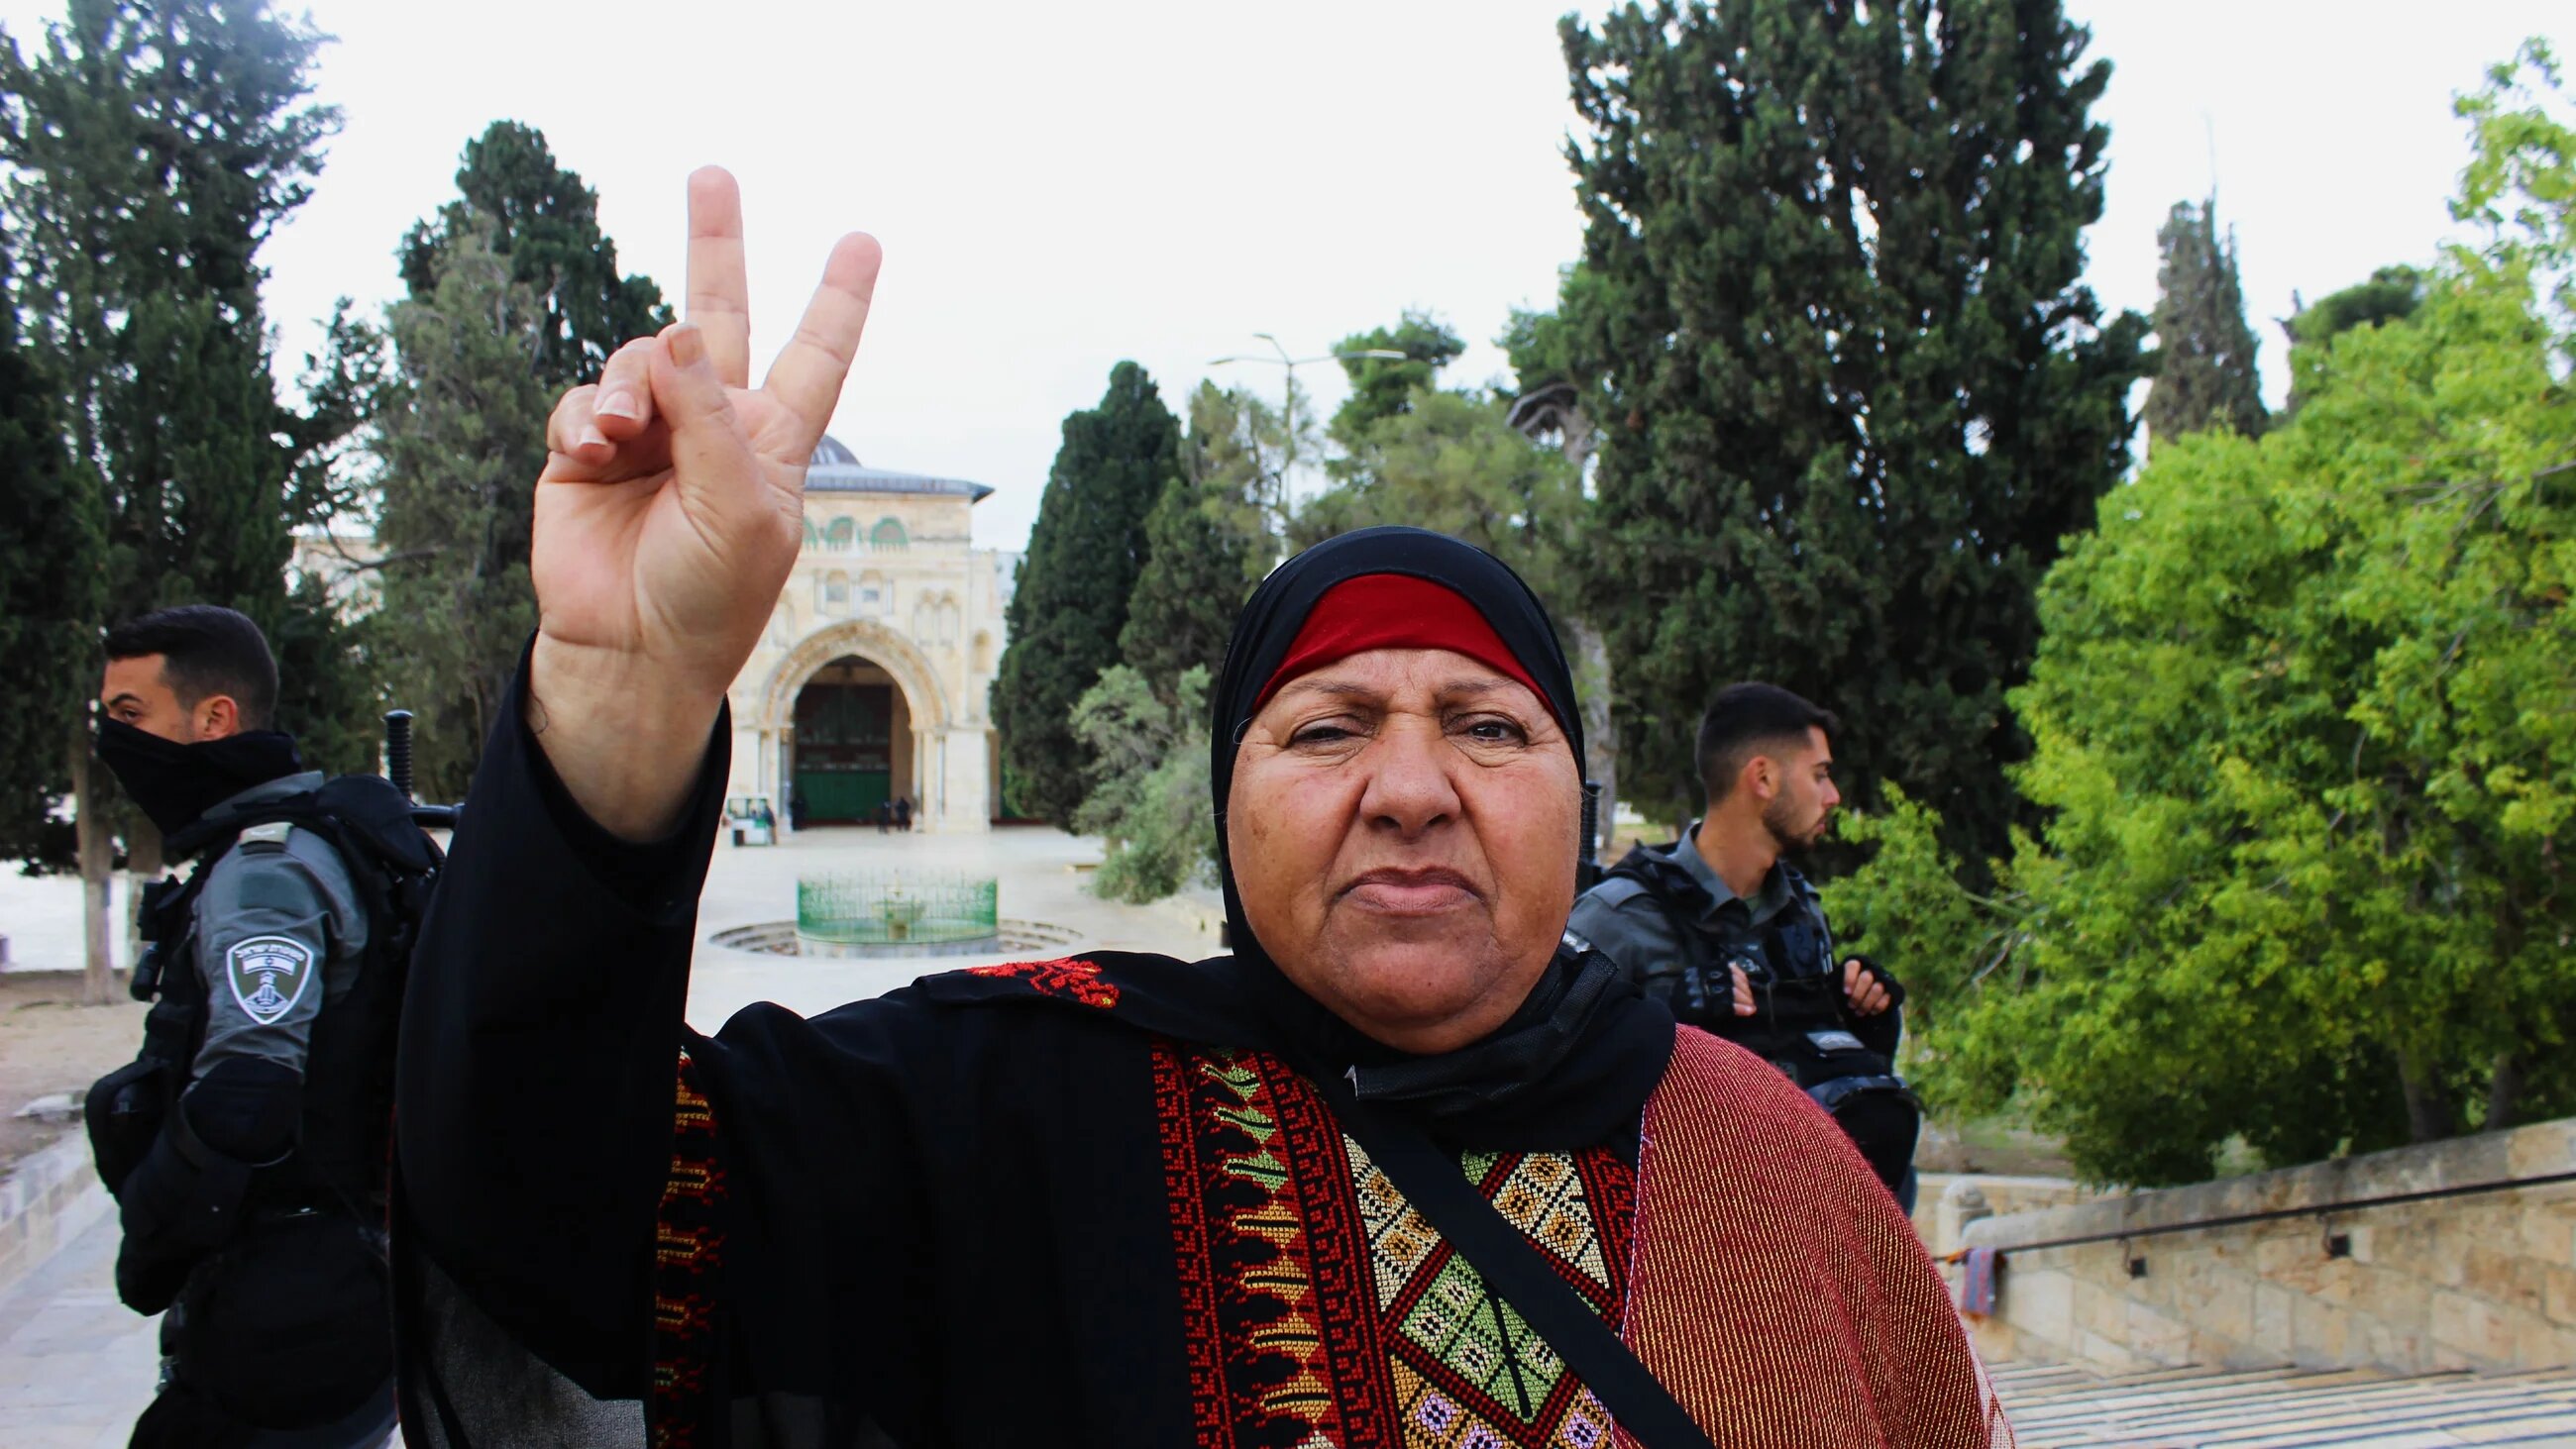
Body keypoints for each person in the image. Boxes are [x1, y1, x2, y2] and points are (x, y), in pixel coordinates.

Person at [391, 169, 2010, 1448]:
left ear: (1574, 798)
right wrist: (630, 692)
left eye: (1483, 722)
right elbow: (547, 1205)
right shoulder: (1013, 1110)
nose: (1409, 786)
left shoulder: (1760, 1157)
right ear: (1228, 803)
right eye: (1325, 726)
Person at [83, 606, 408, 1448]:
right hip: (334, 1285)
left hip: (292, 1306)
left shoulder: (265, 869)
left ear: (214, 717)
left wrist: (152, 1235)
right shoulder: (292, 842)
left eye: (130, 715)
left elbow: (248, 1091)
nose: (115, 741)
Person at [1567, 683, 1920, 1203]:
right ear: (1762, 777)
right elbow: (1545, 1068)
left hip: (1803, 1222)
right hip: (1673, 1237)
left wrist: (1864, 1017)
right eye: (1819, 775)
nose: (1833, 796)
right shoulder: (1617, 916)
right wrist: (1662, 1017)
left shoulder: (1800, 909)